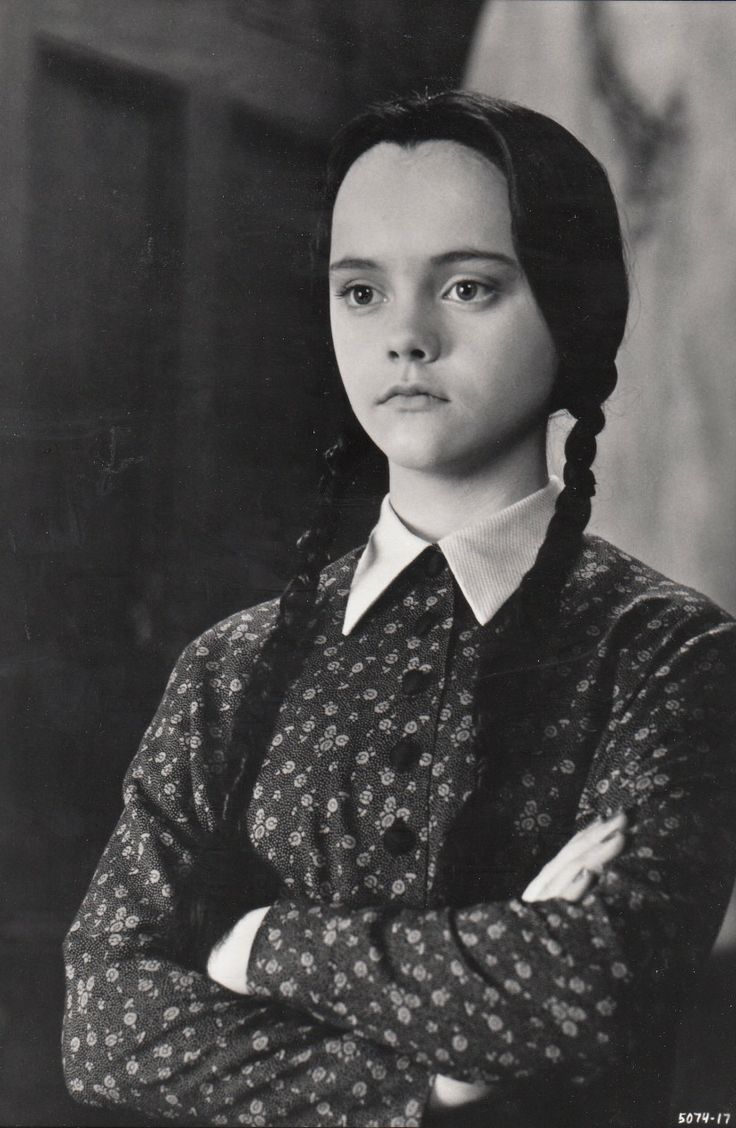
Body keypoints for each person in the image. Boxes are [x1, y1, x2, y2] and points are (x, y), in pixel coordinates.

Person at [62, 91, 736, 1128]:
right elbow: (105, 1023)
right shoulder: (229, 666)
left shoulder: (670, 654)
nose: (406, 337)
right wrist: (425, 1082)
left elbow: (593, 991)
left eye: (467, 287)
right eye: (363, 291)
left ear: (572, 307)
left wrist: (250, 943)